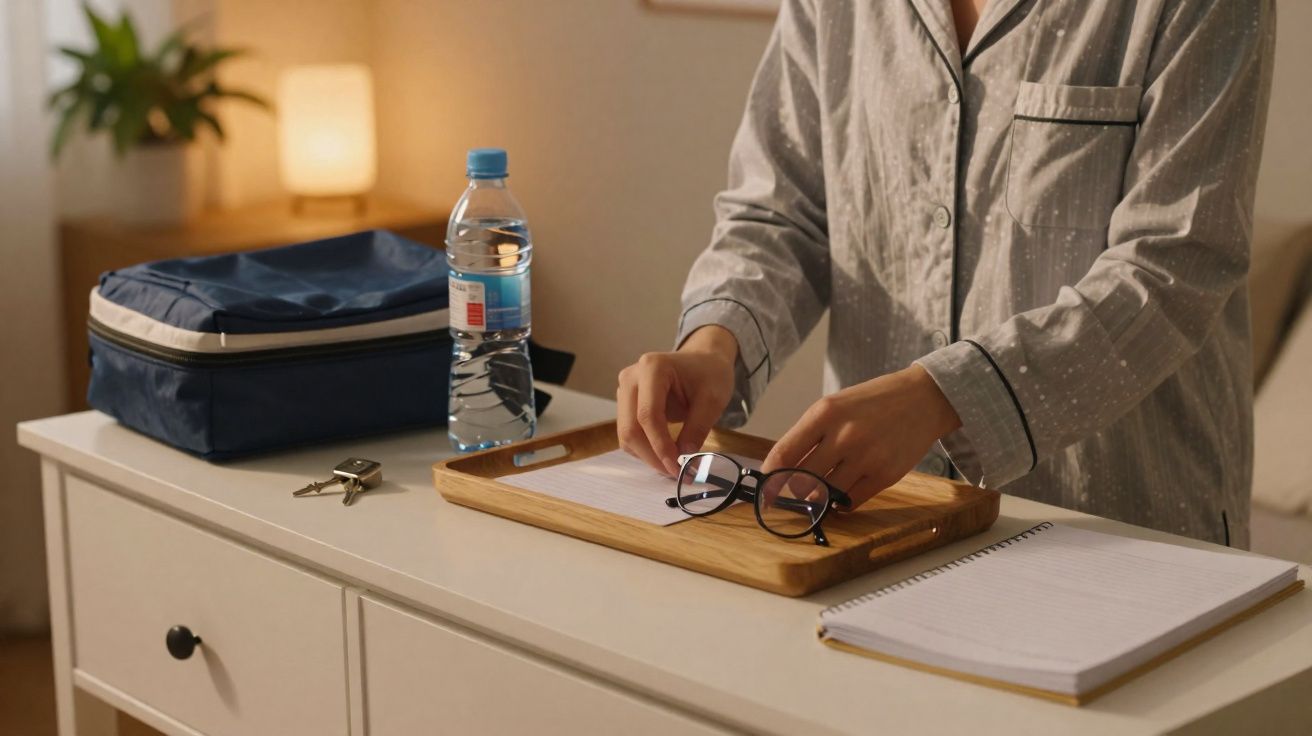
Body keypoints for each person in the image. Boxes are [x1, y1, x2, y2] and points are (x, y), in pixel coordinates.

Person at [616, 0, 1276, 546]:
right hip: (877, 528)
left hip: (1126, 534)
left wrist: (944, 396)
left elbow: (1173, 266)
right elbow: (782, 215)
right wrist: (715, 344)